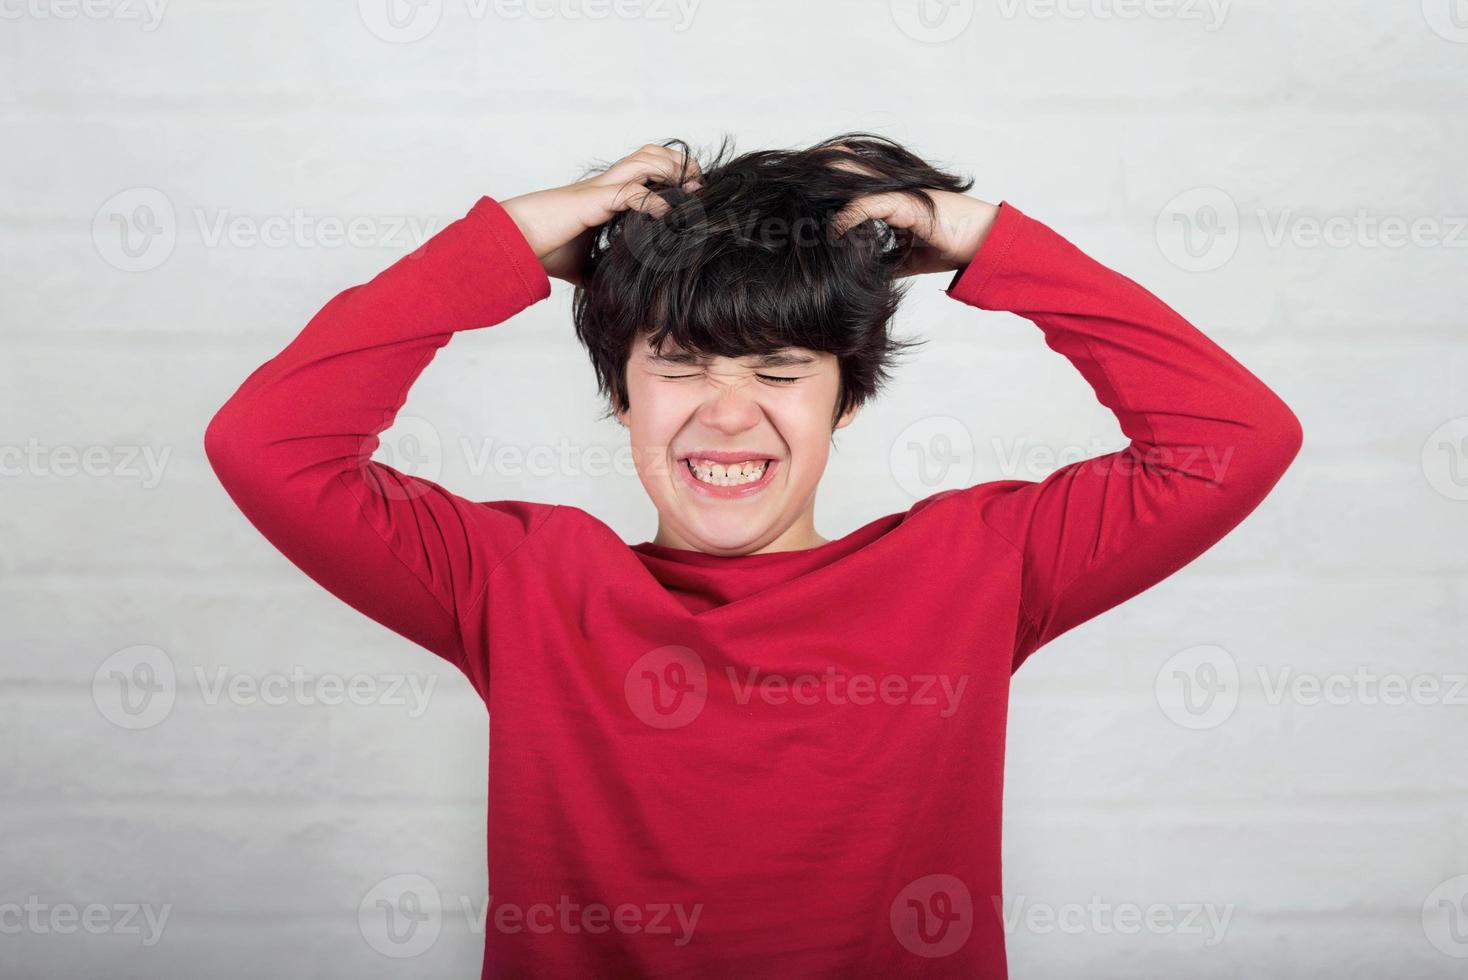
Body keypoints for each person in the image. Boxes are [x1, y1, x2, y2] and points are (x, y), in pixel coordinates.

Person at [203, 133, 1302, 978]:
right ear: (623, 395)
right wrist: (500, 239)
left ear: (844, 403)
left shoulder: (973, 567)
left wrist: (988, 240)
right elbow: (265, 445)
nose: (728, 416)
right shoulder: (521, 580)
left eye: (779, 371)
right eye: (679, 366)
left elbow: (1234, 439)